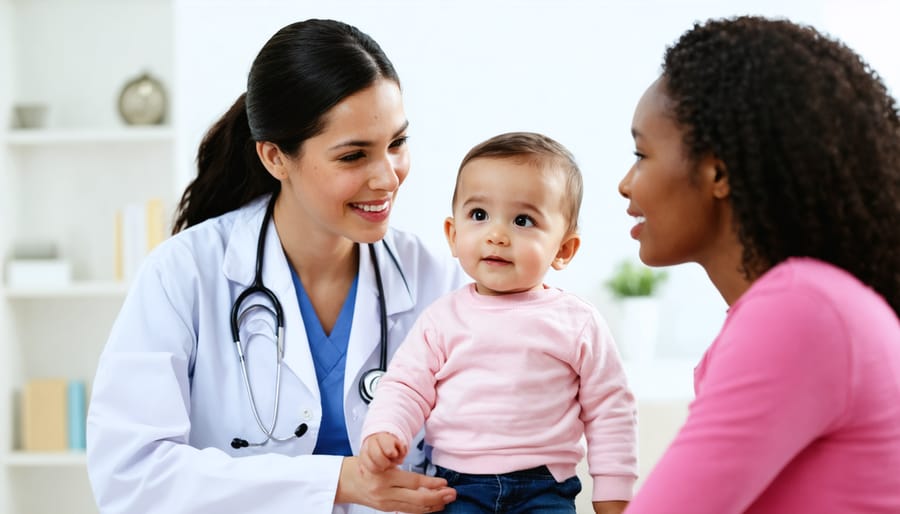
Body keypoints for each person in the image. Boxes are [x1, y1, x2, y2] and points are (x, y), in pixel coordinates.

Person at [86, 19, 467, 514]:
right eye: (353, 156)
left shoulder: (438, 276)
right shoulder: (185, 274)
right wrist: (334, 481)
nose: (387, 176)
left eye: (396, 143)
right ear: (274, 157)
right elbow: (131, 474)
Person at [618, 16, 900, 514]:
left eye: (642, 153)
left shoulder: (801, 309)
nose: (625, 183)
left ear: (718, 171)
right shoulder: (799, 308)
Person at [359, 132, 638, 514]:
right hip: (457, 488)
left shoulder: (577, 323)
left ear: (564, 249)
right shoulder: (441, 320)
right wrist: (385, 431)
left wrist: (613, 494)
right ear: (453, 235)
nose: (497, 234)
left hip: (544, 489)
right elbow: (406, 386)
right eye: (479, 215)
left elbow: (611, 410)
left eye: (523, 220)